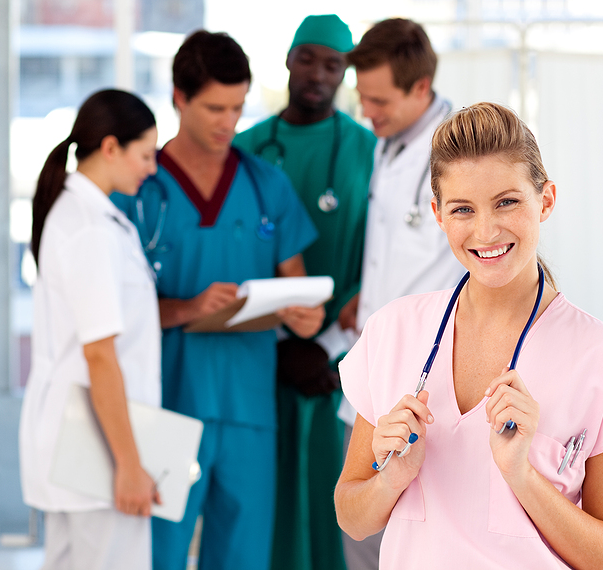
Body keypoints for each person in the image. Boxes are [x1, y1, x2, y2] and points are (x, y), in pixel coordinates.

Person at [334, 102, 603, 569]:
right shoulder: (392, 332)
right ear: (438, 214)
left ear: (546, 200)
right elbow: (352, 518)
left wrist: (522, 475)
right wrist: (390, 480)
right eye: (462, 209)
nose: (485, 230)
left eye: (507, 202)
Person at [110, 31, 323, 570]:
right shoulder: (139, 189)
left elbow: (295, 287)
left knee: (244, 558)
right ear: (179, 98)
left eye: (237, 107)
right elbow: (107, 314)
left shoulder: (265, 185)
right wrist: (187, 309)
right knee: (157, 555)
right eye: (213, 108)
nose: (228, 122)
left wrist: (305, 317)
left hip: (249, 409)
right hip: (165, 407)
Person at [235, 14, 375, 570]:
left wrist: (326, 345)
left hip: (338, 360)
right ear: (289, 61)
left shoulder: (370, 152)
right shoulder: (246, 149)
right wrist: (280, 340)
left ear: (344, 73)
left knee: (335, 502)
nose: (318, 74)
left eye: (333, 64)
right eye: (308, 59)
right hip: (259, 357)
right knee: (262, 506)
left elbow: (380, 261)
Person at [337, 19, 466, 567]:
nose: (368, 112)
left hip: (426, 377)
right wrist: (364, 303)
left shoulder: (459, 156)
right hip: (378, 359)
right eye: (363, 98)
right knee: (363, 532)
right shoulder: (388, 146)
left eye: (379, 100)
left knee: (417, 538)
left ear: (420, 88)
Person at [19, 89, 160, 570]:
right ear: (109, 147)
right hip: (95, 449)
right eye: (145, 155)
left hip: (76, 439)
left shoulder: (81, 214)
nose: (152, 168)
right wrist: (129, 465)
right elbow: (100, 355)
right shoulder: (90, 229)